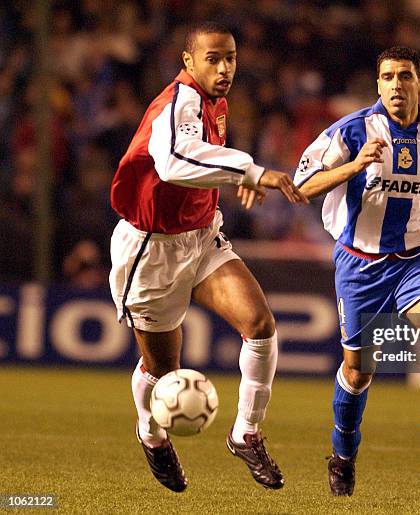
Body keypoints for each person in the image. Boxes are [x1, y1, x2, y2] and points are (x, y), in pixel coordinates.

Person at [109, 22, 308, 493]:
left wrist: (229, 176)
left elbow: (201, 160)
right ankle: (151, 432)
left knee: (260, 325)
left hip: (200, 237)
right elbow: (175, 161)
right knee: (162, 372)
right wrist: (252, 171)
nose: (224, 68)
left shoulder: (215, 102)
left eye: (231, 58)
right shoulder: (176, 101)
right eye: (213, 58)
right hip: (152, 248)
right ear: (188, 61)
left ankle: (245, 433)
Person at [294, 46, 420, 497]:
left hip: (419, 258)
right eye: (387, 76)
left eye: (405, 75)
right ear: (377, 85)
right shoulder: (349, 132)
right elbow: (301, 187)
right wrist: (354, 165)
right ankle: (343, 453)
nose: (396, 84)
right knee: (358, 371)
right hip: (360, 264)